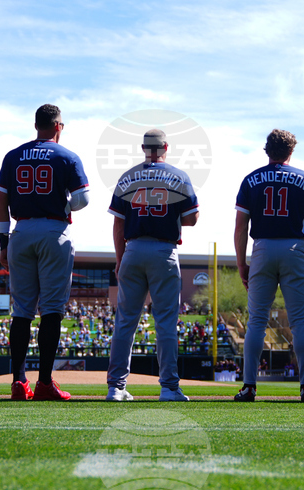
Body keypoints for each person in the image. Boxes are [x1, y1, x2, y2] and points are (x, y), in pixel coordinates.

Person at [0, 104, 89, 401]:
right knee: (51, 310)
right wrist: (62, 203)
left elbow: (1, 202)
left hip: (20, 232)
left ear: (36, 124)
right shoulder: (67, 156)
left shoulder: (13, 156)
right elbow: (83, 199)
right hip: (53, 231)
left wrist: (2, 242)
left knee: (21, 311)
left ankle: (18, 382)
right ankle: (45, 383)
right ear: (58, 126)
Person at [106, 129, 199, 402]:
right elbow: (192, 219)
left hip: (133, 248)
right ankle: (169, 388)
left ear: (144, 148)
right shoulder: (178, 176)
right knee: (166, 323)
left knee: (125, 321)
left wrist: (120, 258)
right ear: (165, 147)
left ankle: (116, 387)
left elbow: (118, 223)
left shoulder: (128, 176)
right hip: (163, 249)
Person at [233, 129, 304, 403]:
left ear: (266, 150)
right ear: (291, 151)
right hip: (294, 248)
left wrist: (241, 263)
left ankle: (249, 386)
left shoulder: (251, 179)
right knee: (300, 322)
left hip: (262, 247)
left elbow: (240, 227)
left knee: (256, 321)